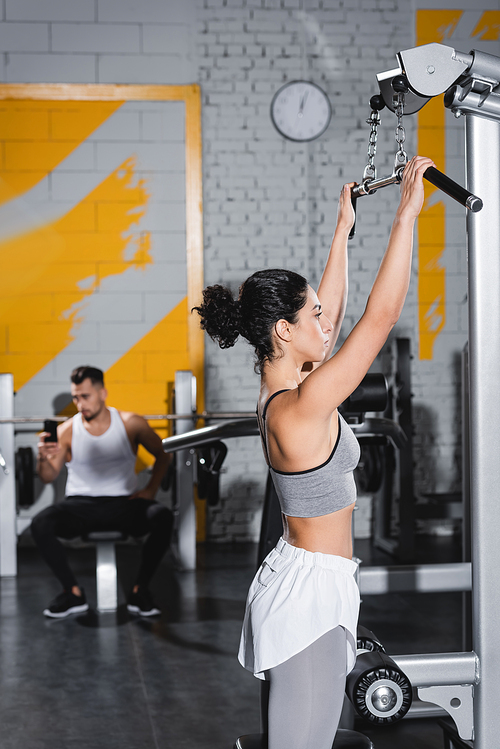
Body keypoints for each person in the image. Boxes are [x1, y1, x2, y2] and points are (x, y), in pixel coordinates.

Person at [194, 155, 434, 749]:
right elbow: (378, 321)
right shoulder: (301, 407)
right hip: (308, 597)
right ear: (284, 330)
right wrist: (407, 216)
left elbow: (333, 311)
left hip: (308, 579)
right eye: (313, 317)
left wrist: (342, 230)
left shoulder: (283, 391)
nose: (325, 323)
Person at [32, 365, 173, 619]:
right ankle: (72, 593)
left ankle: (140, 590)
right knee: (41, 523)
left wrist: (150, 489)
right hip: (79, 506)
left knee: (162, 516)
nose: (80, 404)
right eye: (75, 397)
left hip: (124, 505)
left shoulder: (131, 423)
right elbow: (47, 476)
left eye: (85, 396)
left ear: (102, 393)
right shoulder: (66, 431)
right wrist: (43, 458)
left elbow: (163, 455)